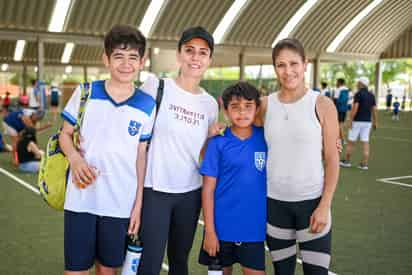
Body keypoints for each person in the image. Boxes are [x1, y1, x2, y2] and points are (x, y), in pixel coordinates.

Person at [59, 25, 155, 275]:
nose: (126, 64)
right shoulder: (86, 93)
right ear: (106, 59)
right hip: (81, 199)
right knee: (76, 270)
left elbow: (141, 155)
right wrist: (75, 159)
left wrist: (137, 205)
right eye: (118, 56)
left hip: (120, 203)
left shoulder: (147, 104)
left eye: (133, 57)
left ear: (142, 61)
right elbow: (65, 134)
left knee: (108, 269)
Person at [138, 26, 220, 275]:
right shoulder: (155, 87)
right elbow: (130, 130)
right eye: (190, 51)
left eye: (202, 53)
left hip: (190, 194)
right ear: (179, 54)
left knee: (179, 261)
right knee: (149, 262)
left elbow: (204, 151)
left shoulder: (210, 104)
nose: (195, 57)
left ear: (209, 60)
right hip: (155, 190)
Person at [255, 38, 340, 275]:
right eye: (281, 65)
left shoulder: (323, 105)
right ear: (275, 68)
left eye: (294, 64)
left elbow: (333, 159)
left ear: (305, 65)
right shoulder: (264, 106)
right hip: (275, 206)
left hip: (312, 206)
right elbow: (239, 132)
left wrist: (324, 205)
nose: (288, 71)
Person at [199, 82, 267, 275]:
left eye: (248, 106)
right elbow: (208, 190)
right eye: (235, 107)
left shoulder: (266, 138)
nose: (242, 113)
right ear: (226, 111)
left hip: (253, 230)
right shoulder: (218, 143)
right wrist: (210, 232)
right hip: (220, 231)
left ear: (257, 109)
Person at [340, 77, 377, 170]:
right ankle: (364, 164)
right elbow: (374, 110)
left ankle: (347, 161)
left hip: (357, 121)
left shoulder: (358, 94)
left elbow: (355, 107)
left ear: (361, 84)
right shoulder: (371, 95)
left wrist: (350, 120)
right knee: (365, 141)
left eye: (358, 82)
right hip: (367, 122)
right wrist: (375, 122)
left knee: (351, 142)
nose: (357, 84)